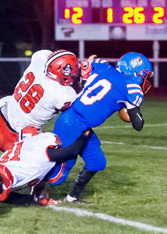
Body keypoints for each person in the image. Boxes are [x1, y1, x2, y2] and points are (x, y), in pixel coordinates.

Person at [47, 52, 154, 203]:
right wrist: (131, 110)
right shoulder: (131, 88)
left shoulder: (103, 66)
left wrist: (86, 70)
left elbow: (87, 65)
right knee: (58, 174)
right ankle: (23, 185)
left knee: (96, 161)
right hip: (72, 124)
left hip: (78, 123)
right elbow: (138, 125)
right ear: (134, 71)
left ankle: (72, 197)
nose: (145, 79)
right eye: (144, 75)